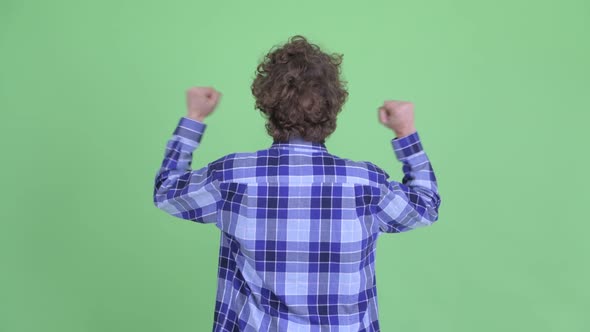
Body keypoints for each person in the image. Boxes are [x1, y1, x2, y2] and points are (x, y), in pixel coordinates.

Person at [153, 35, 441, 332]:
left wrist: (195, 117)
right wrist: (405, 131)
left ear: (267, 104)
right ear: (333, 106)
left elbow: (167, 191)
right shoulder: (365, 185)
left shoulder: (233, 177)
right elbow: (426, 205)